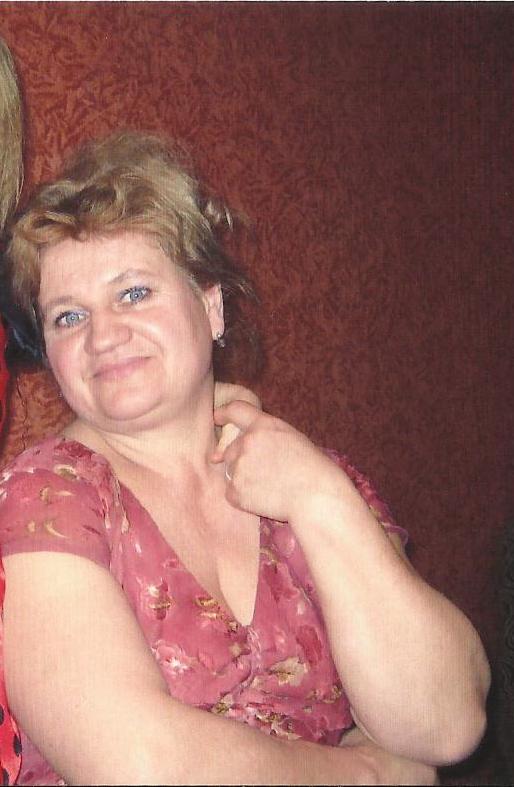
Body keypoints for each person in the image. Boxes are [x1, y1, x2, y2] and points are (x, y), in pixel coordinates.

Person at [0, 131, 489, 785]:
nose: (104, 334)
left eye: (134, 292)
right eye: (68, 317)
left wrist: (320, 497)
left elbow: (446, 722)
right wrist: (365, 775)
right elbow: (138, 765)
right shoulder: (44, 499)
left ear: (211, 307)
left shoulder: (308, 475)